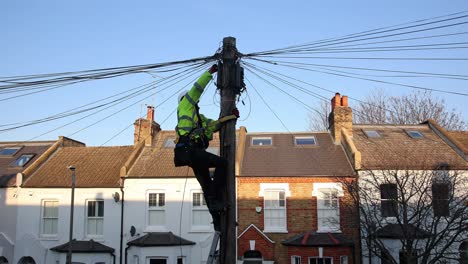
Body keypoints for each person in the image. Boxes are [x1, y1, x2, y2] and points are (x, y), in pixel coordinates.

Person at [173, 64, 239, 231]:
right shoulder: (184, 106)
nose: (197, 103)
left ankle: (217, 222)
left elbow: (215, 125)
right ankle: (217, 197)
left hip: (194, 153)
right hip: (190, 150)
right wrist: (209, 73)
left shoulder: (199, 119)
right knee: (222, 164)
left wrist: (232, 116)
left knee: (206, 187)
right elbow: (196, 90)